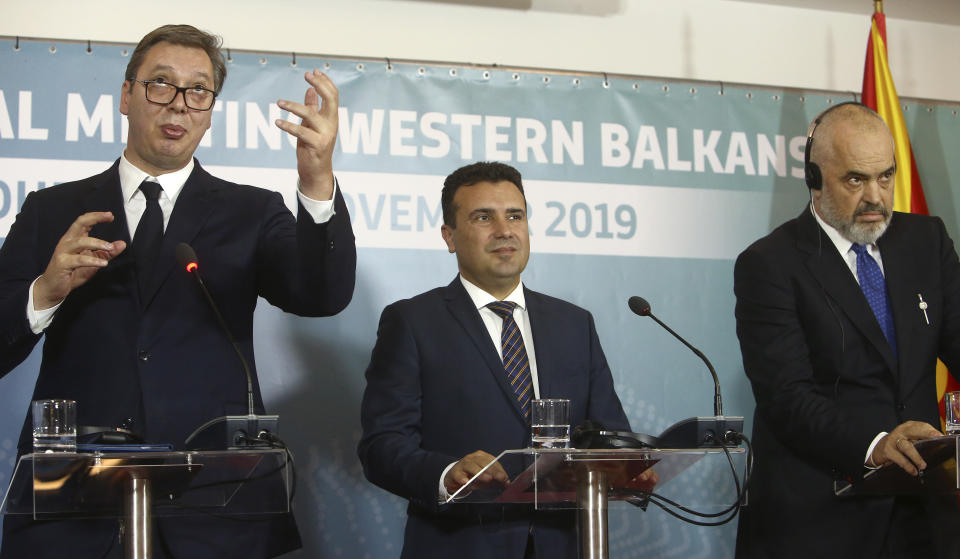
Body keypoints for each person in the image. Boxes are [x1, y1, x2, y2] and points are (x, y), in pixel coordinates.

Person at [0, 24, 355, 559]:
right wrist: (43, 294)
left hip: (214, 509)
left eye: (198, 91)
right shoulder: (53, 211)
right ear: (126, 95)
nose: (179, 105)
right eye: (160, 84)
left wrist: (317, 179)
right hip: (75, 507)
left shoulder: (251, 212)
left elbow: (322, 295)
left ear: (210, 109)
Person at [357, 161, 643, 559]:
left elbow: (610, 435)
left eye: (515, 215)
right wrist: (445, 473)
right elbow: (382, 446)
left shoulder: (574, 323)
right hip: (460, 545)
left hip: (565, 545)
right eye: (482, 217)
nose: (504, 229)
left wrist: (631, 463)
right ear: (449, 236)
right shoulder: (412, 322)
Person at [734, 102, 960, 558]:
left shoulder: (926, 241)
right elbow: (786, 397)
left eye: (886, 177)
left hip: (923, 517)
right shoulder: (770, 264)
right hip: (820, 520)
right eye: (856, 180)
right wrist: (876, 445)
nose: (876, 197)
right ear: (814, 180)